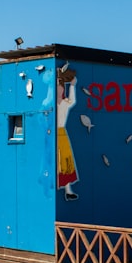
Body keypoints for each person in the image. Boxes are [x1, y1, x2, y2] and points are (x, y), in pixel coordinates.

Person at [56, 66, 79, 200]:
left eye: (61, 88)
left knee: (66, 161)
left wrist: (72, 86)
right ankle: (58, 186)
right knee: (55, 161)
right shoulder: (51, 103)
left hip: (61, 132)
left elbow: (73, 100)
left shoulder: (65, 103)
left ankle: (68, 190)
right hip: (52, 133)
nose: (60, 90)